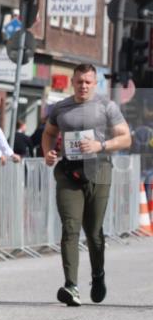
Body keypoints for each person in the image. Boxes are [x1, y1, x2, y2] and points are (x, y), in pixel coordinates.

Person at [42, 63, 131, 307]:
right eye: (79, 81)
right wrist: (48, 153)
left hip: (99, 170)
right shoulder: (60, 107)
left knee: (93, 232)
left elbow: (125, 137)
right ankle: (71, 286)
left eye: (88, 82)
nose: (83, 86)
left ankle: (98, 275)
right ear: (73, 82)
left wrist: (100, 146)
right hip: (68, 173)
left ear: (95, 83)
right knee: (70, 227)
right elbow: (49, 132)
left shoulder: (107, 107)